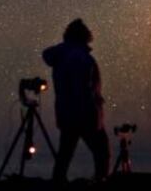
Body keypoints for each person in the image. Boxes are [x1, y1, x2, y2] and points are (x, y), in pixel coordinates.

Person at [43, 19, 110, 183]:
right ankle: (100, 181)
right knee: (101, 151)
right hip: (83, 113)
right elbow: (83, 89)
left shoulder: (62, 55)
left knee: (65, 154)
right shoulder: (79, 57)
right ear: (84, 36)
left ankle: (58, 181)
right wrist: (91, 113)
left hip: (67, 113)